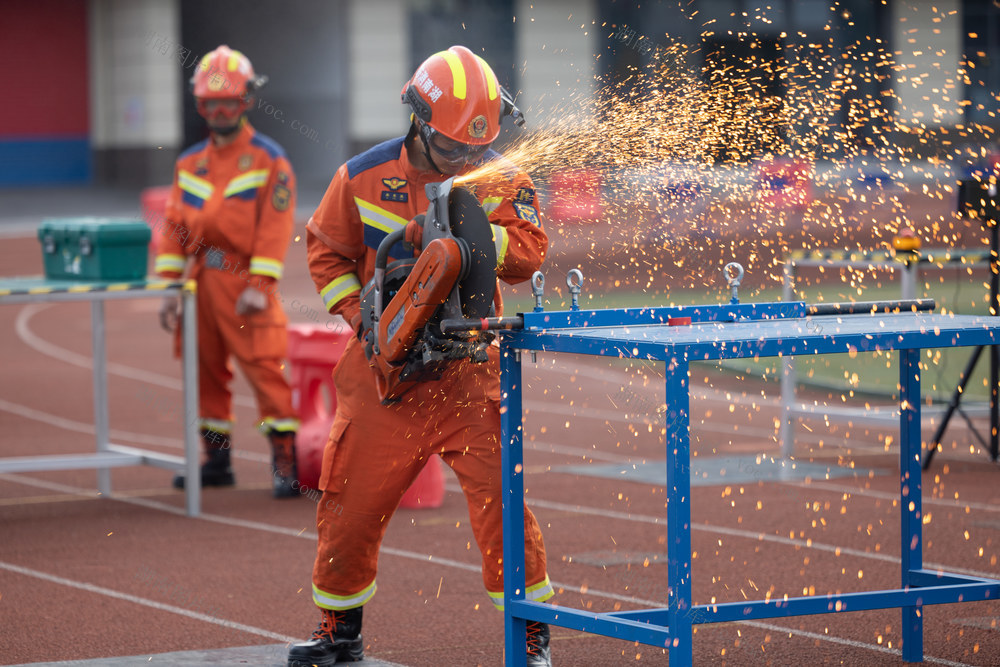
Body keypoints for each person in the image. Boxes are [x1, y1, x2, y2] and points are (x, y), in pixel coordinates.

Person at [288, 45, 554, 666]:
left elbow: (530, 252)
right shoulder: (359, 176)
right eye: (455, 147)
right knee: (348, 508)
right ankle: (339, 633)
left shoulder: (499, 176)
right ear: (418, 120)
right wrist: (363, 321)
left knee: (505, 513)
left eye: (474, 148)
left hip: (471, 375)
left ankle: (532, 637)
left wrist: (474, 233)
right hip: (385, 379)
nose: (467, 159)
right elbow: (326, 252)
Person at [155, 44, 301, 499]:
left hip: (244, 284)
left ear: (246, 102)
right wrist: (167, 289)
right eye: (211, 103)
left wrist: (260, 284)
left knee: (263, 368)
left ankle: (285, 463)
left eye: (228, 102)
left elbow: (276, 226)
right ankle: (217, 461)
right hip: (200, 285)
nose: (219, 111)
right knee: (205, 372)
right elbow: (174, 230)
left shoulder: (268, 159)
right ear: (200, 105)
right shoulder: (188, 164)